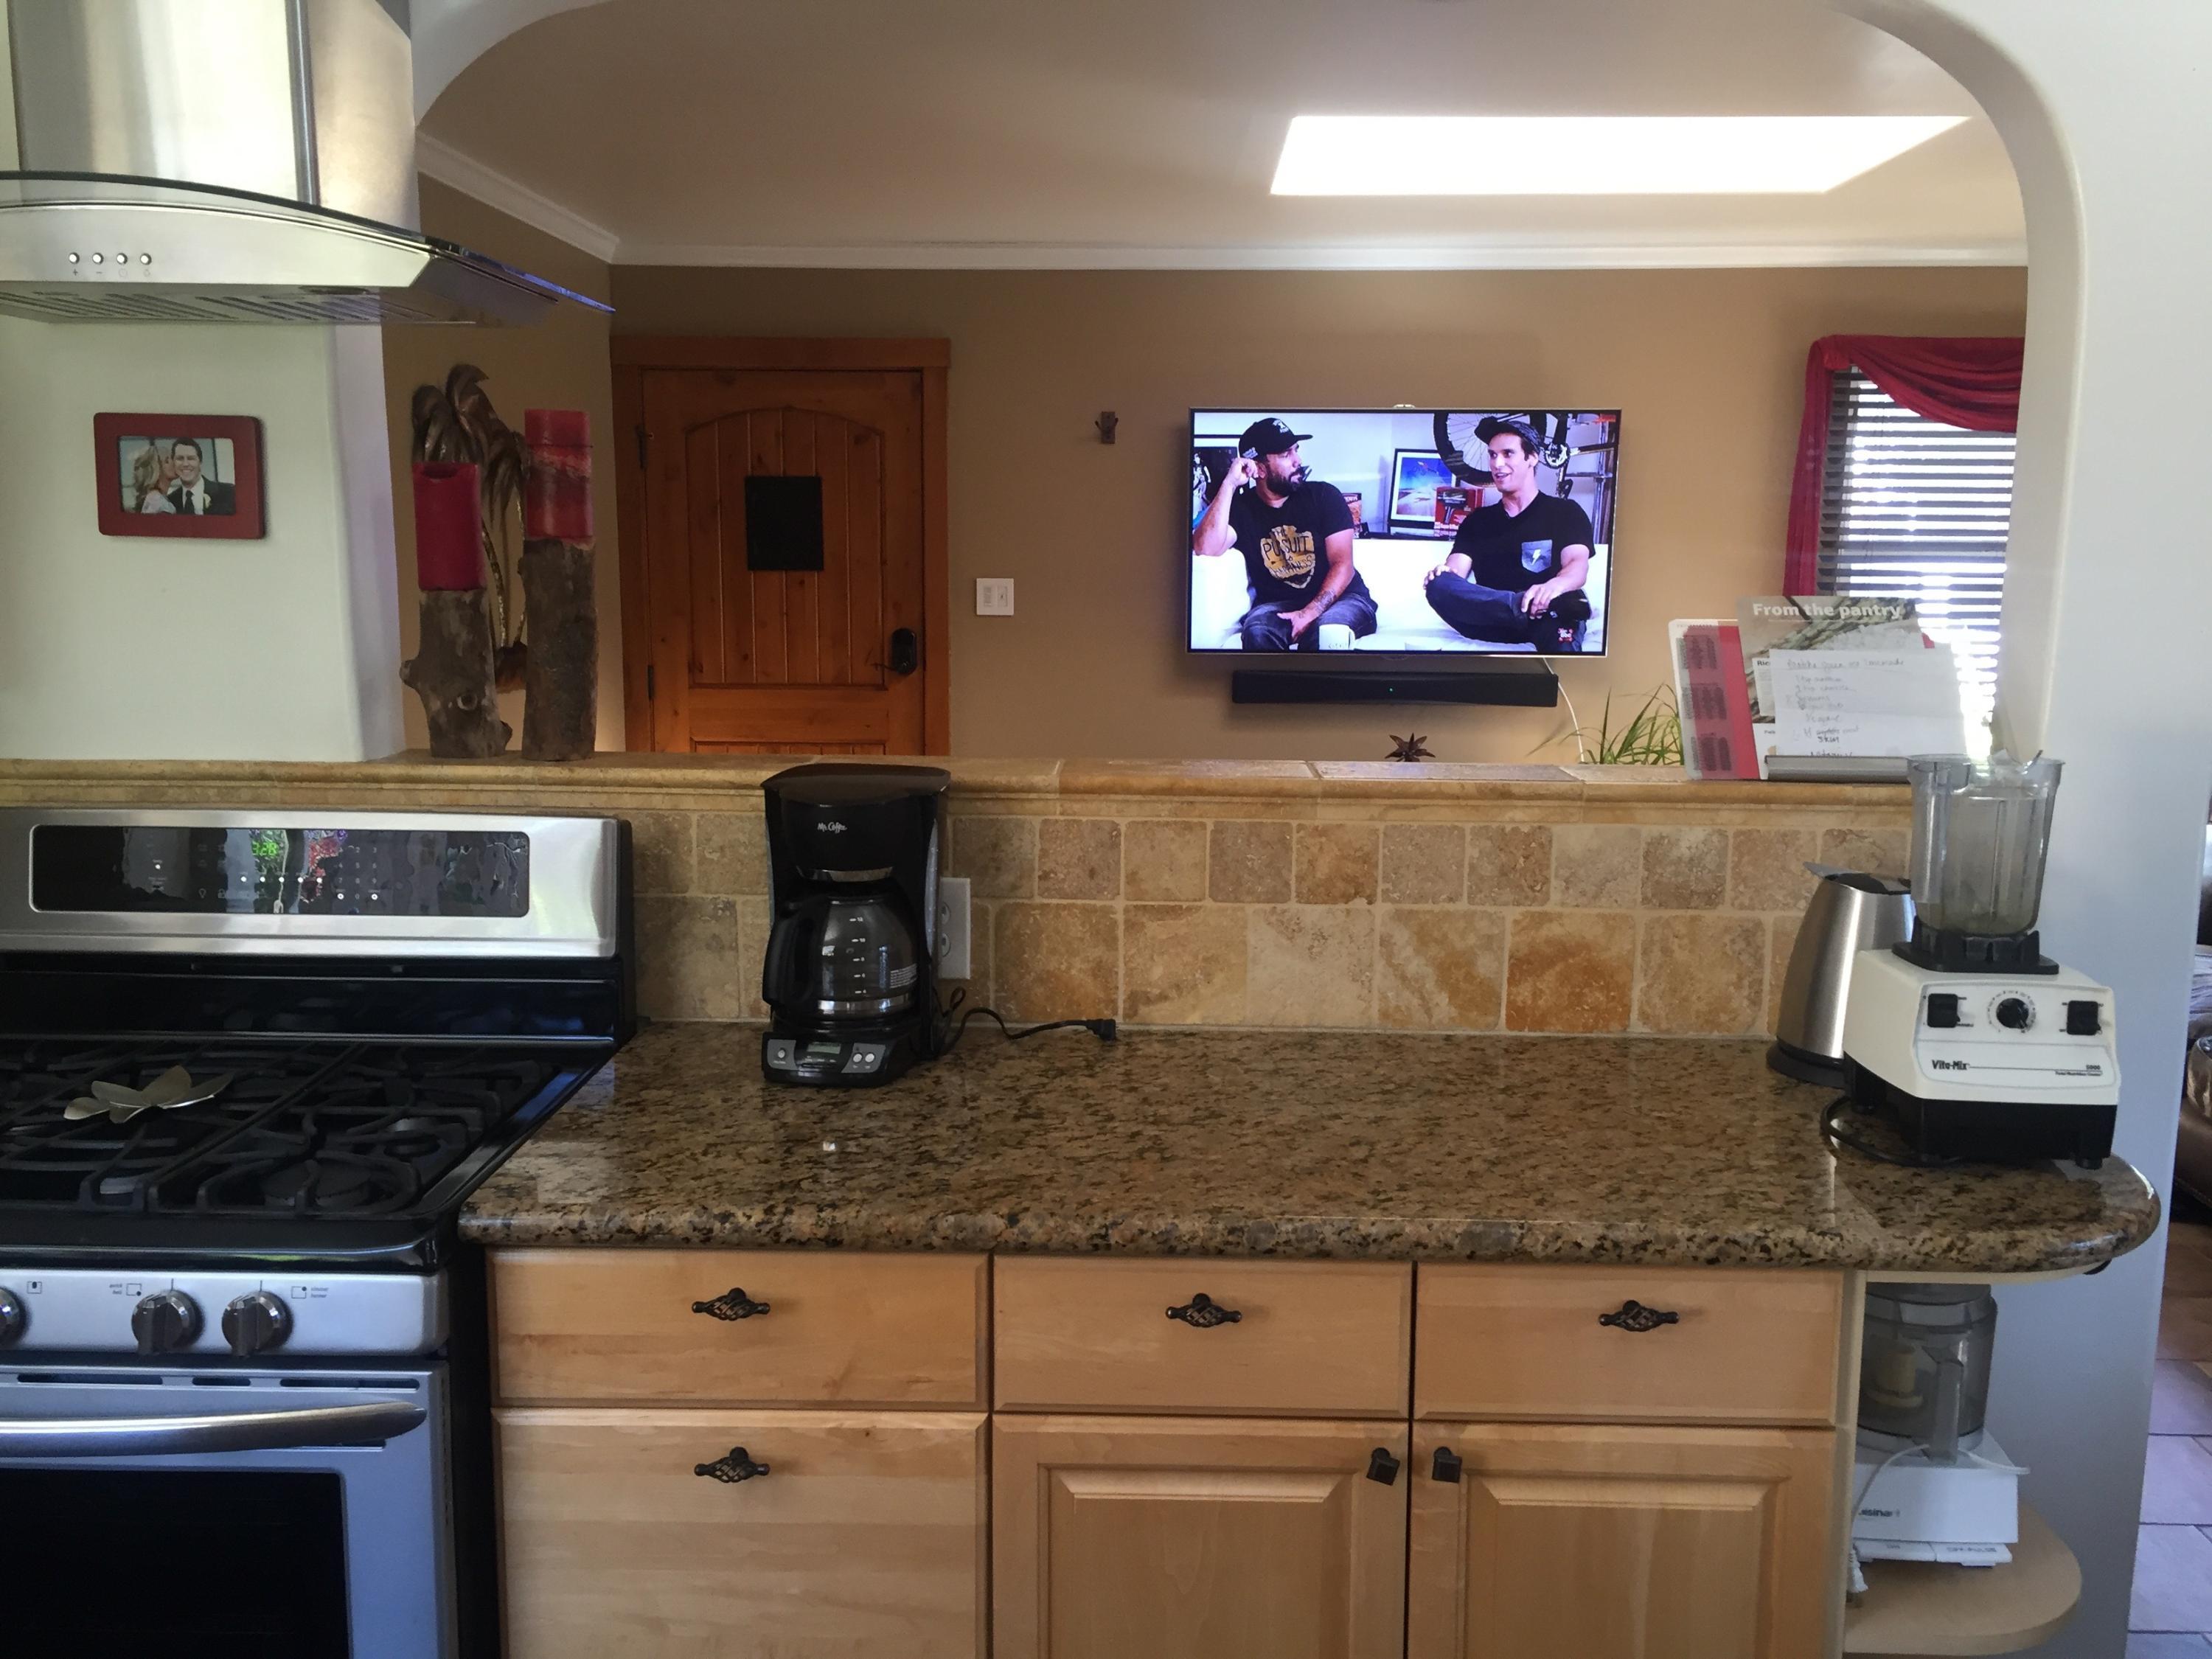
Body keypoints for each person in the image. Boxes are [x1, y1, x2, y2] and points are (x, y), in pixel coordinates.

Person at [1192, 417, 1377, 651]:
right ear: (1258, 468)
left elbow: (1343, 565)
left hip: (1343, 599)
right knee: (1257, 632)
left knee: (1325, 634)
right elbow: (1204, 548)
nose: (1297, 460)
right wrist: (1229, 484)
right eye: (1285, 454)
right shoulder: (1241, 508)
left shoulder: (1324, 496)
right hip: (1278, 604)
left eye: (1296, 451)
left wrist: (1308, 613)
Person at [1423, 417, 1594, 653]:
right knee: (1438, 584)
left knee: (1565, 620)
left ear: (1532, 458)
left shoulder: (1565, 512)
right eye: (1492, 455)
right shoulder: (1477, 521)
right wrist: (1443, 574)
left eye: (1507, 453)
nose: (1497, 464)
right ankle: (1518, 605)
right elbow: (1455, 573)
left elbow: (1577, 566)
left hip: (1546, 616)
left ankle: (1535, 606)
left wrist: (1553, 587)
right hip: (1490, 621)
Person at [165, 437, 235, 516]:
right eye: (180, 459)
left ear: (200, 462)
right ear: (173, 462)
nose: (185, 464)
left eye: (191, 458)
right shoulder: (170, 501)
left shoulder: (228, 492)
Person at [130, 444, 175, 514]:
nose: (175, 463)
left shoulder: (155, 498)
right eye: (167, 461)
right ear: (157, 469)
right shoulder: (157, 501)